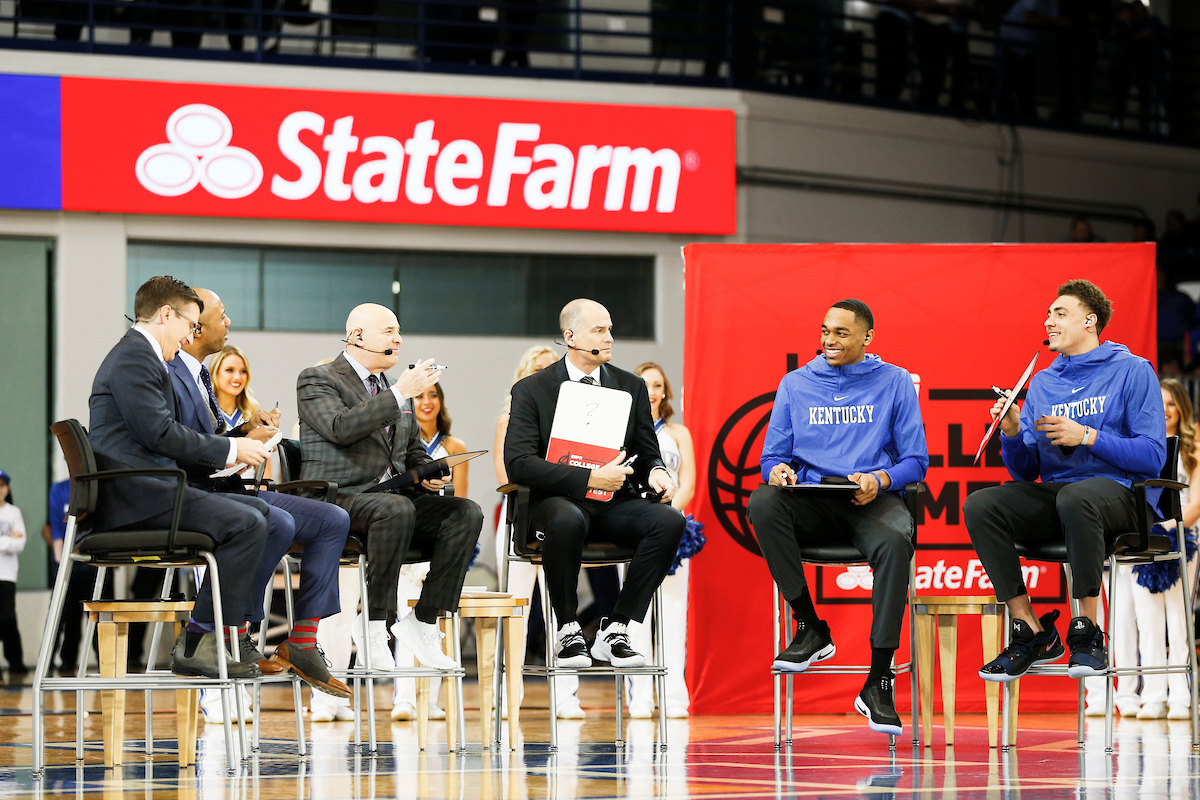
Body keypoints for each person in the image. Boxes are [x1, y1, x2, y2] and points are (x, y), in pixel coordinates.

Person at [964, 279, 1165, 686]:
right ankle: (1031, 629)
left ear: (1090, 322)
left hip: (1125, 496)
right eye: (1048, 314)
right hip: (1065, 499)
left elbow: (1153, 456)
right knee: (981, 504)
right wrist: (1013, 431)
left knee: (1077, 497)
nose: (1048, 321)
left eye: (1060, 313)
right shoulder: (1043, 382)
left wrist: (1087, 435)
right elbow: (1025, 472)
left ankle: (1088, 631)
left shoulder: (1132, 370)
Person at [167, 287, 353, 720]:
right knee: (276, 522)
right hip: (199, 496)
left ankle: (302, 641)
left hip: (228, 488)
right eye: (222, 314)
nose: (228, 321)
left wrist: (245, 439)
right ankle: (234, 632)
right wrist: (234, 450)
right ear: (194, 324)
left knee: (331, 519)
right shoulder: (172, 372)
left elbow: (206, 444)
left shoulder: (195, 377)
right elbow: (178, 448)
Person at [747, 299, 928, 737]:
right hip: (812, 499)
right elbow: (772, 455)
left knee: (895, 542)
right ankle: (810, 626)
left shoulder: (896, 381)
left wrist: (881, 479)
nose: (828, 341)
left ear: (867, 337)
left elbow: (916, 462)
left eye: (841, 333)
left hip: (868, 500)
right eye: (825, 331)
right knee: (763, 502)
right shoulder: (795, 383)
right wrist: (775, 469)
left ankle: (879, 678)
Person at [88, 276, 273, 680]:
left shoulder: (143, 356)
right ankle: (201, 640)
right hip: (135, 498)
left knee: (259, 513)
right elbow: (159, 432)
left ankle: (215, 637)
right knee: (247, 522)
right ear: (166, 314)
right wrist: (231, 449)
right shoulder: (136, 356)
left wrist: (229, 448)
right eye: (190, 325)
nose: (191, 336)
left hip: (149, 490)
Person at [297, 303, 483, 680]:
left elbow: (409, 450)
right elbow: (339, 427)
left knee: (465, 512)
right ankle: (375, 625)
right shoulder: (317, 379)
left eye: (399, 331)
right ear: (358, 336)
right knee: (395, 509)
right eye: (389, 331)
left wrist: (428, 472)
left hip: (392, 501)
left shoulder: (392, 388)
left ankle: (424, 620)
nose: (398, 338)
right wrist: (400, 393)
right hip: (337, 498)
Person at [503, 299, 683, 674]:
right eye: (599, 330)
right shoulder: (531, 390)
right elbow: (519, 463)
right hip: (555, 504)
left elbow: (647, 453)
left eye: (610, 329)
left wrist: (656, 473)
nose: (610, 338)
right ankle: (568, 630)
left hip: (612, 503)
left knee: (668, 521)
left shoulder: (630, 386)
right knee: (566, 518)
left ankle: (616, 627)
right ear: (570, 337)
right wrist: (588, 479)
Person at [493, 344, 587, 719]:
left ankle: (567, 697)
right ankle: (508, 693)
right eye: (539, 370)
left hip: (560, 519)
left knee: (563, 606)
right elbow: (507, 477)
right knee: (516, 608)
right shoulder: (510, 421)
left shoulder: (578, 423)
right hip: (521, 517)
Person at [625, 362, 702, 720]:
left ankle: (673, 697)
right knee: (634, 616)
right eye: (645, 385)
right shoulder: (621, 433)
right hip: (633, 530)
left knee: (672, 615)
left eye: (657, 385)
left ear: (665, 392)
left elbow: (687, 482)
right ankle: (639, 696)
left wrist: (668, 515)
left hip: (673, 529)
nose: (652, 391)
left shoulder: (678, 432)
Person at [1119, 379, 1197, 720]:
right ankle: (1152, 695)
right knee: (1148, 620)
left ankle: (1181, 696)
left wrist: (1169, 528)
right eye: (1159, 403)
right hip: (1145, 539)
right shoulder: (1141, 445)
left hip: (1185, 538)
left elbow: (1195, 504)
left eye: (1171, 403)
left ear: (1182, 408)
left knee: (1180, 619)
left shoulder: (1193, 449)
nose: (1165, 410)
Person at [391, 381, 469, 721]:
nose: (427, 401)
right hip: (407, 541)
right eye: (420, 395)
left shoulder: (454, 446)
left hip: (443, 543)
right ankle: (404, 698)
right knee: (405, 617)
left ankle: (433, 698)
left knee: (434, 618)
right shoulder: (396, 442)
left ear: (441, 401)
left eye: (434, 395)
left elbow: (459, 503)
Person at [0, 471, 27, 673]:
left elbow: (20, 543)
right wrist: (9, 539)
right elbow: (13, 541)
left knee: (8, 618)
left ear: (7, 489)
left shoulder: (13, 512)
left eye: (2, 485)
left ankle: (15, 662)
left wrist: (7, 541)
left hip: (7, 574)